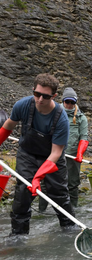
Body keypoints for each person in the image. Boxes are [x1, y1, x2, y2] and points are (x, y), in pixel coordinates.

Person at [0, 73, 76, 235]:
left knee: (59, 194)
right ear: (33, 90)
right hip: (27, 154)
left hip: (52, 159)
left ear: (54, 96)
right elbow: (8, 125)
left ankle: (69, 229)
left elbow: (56, 153)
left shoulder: (61, 118)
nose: (40, 99)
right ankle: (18, 236)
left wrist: (38, 177)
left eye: (46, 96)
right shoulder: (23, 105)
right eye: (37, 94)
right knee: (23, 193)